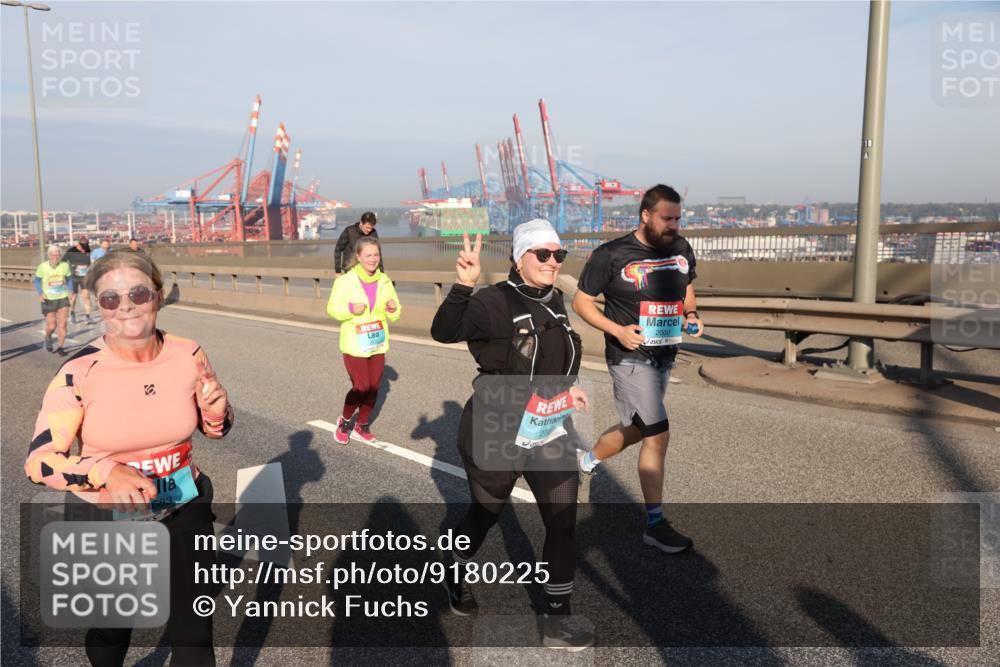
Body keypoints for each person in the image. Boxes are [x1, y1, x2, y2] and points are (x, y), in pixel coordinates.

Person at [25, 249, 233, 666]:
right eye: (110, 299)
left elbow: (217, 428)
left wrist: (216, 412)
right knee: (112, 627)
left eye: (138, 294)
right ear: (96, 305)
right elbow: (40, 461)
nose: (126, 307)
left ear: (157, 295)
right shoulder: (79, 371)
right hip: (108, 515)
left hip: (183, 503)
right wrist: (107, 471)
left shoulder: (188, 353)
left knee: (194, 629)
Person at [431, 221, 594, 651]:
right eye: (543, 254)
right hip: (495, 426)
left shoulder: (556, 300)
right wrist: (463, 286)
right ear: (520, 257)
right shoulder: (491, 300)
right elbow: (444, 331)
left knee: (562, 522)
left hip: (548, 427)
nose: (553, 261)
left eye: (558, 254)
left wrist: (568, 388)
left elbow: (553, 358)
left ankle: (557, 619)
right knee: (485, 517)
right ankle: (455, 565)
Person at [572, 184, 703, 554]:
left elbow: (687, 287)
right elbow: (581, 303)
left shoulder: (680, 248)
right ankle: (655, 524)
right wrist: (617, 331)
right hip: (629, 358)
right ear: (645, 215)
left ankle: (587, 459)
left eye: (678, 218)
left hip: (665, 354)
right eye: (667, 218)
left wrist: (691, 315)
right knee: (658, 434)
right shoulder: (610, 254)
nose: (674, 225)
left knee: (637, 428)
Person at [326, 236, 400, 444]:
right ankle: (345, 420)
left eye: (376, 254)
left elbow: (396, 310)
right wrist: (350, 309)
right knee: (361, 387)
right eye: (368, 255)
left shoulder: (384, 280)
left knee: (374, 387)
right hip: (354, 343)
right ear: (358, 257)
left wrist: (393, 309)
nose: (373, 259)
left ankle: (362, 424)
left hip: (376, 342)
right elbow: (332, 309)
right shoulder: (344, 281)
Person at [34, 245, 73, 355]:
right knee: (52, 325)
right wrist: (40, 293)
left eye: (58, 255)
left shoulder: (65, 265)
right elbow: (37, 281)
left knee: (63, 324)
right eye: (53, 255)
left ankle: (60, 347)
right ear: (49, 255)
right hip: (48, 299)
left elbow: (69, 279)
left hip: (62, 297)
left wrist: (71, 291)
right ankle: (48, 336)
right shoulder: (43, 266)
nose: (56, 257)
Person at [63, 236, 93, 324]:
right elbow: (63, 262)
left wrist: (88, 267)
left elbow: (90, 262)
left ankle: (88, 316)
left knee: (86, 296)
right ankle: (72, 313)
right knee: (73, 297)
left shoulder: (88, 250)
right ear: (78, 244)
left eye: (86, 246)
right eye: (83, 246)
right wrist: (68, 271)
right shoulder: (71, 251)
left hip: (84, 277)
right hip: (73, 277)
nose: (85, 248)